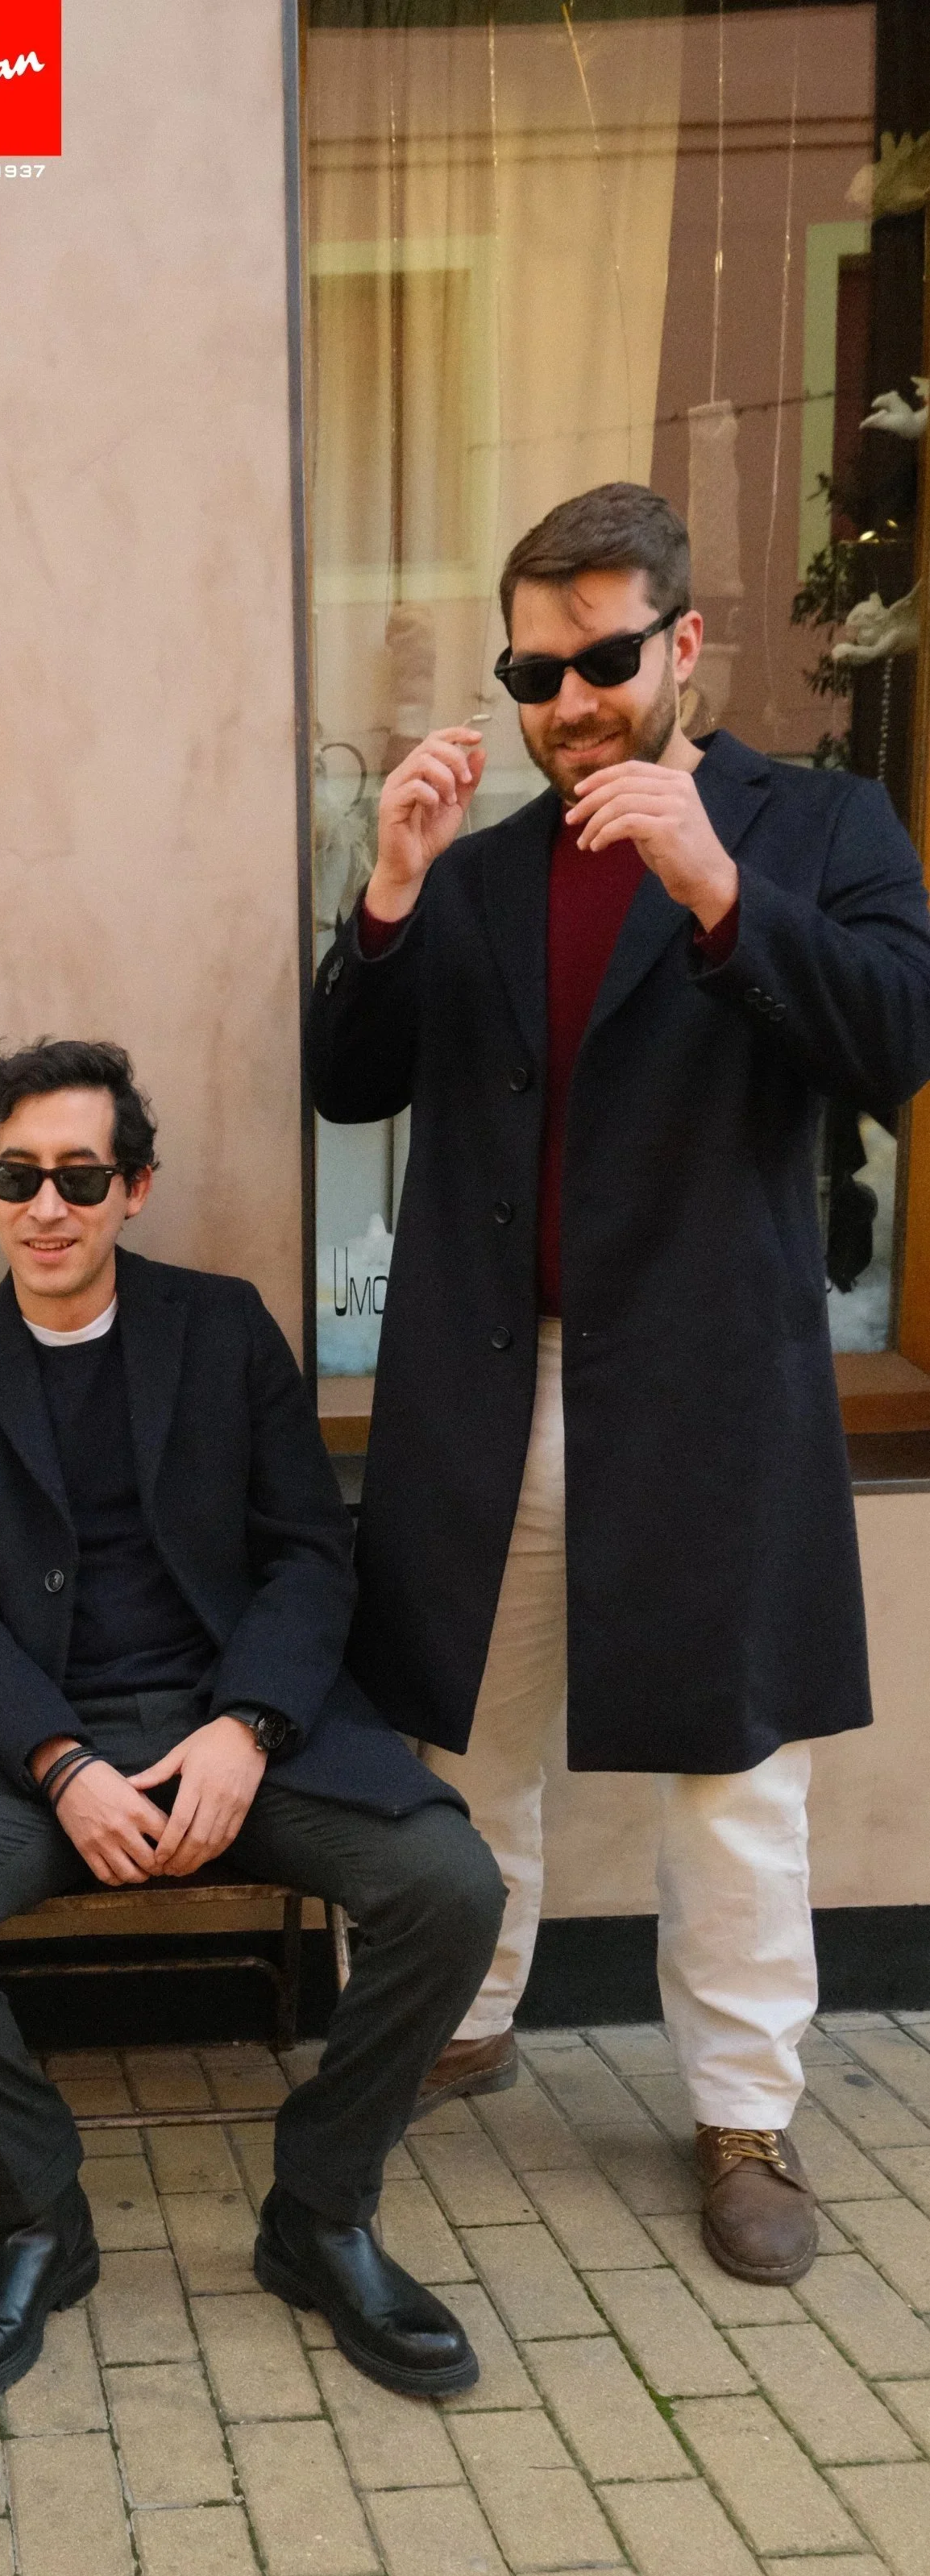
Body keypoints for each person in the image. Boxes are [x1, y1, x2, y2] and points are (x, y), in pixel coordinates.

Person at [307, 482, 930, 2286]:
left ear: (682, 645)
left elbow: (895, 1039)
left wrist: (721, 890)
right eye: (534, 668)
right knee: (462, 1736)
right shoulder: (490, 868)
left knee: (732, 1776)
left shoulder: (815, 828)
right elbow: (351, 1080)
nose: (566, 701)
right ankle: (460, 2017)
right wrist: (393, 889)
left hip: (705, 1396)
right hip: (485, 1389)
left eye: (599, 661)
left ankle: (743, 2110)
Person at [0, 1039, 506, 2404]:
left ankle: (319, 2214)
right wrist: (60, 1762)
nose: (48, 1205)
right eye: (17, 1176)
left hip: (240, 1719)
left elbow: (309, 1554)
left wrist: (248, 1726)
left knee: (449, 1885)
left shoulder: (223, 1330)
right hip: (42, 1742)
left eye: (79, 1177)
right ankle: (41, 2217)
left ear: (134, 1187)